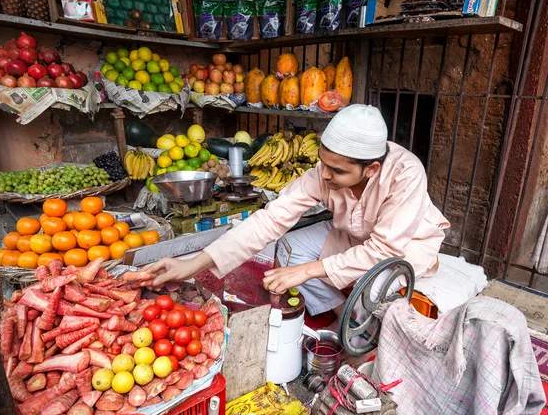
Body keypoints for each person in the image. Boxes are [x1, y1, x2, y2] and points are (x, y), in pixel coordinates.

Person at [142, 104, 450, 319]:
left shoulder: (406, 172)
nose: (325, 175)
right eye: (323, 162)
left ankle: (365, 335)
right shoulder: (324, 171)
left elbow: (385, 248)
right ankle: (344, 317)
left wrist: (308, 270)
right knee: (290, 248)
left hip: (405, 246)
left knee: (375, 287)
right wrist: (193, 264)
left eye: (337, 171)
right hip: (352, 235)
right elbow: (271, 219)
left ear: (371, 169)